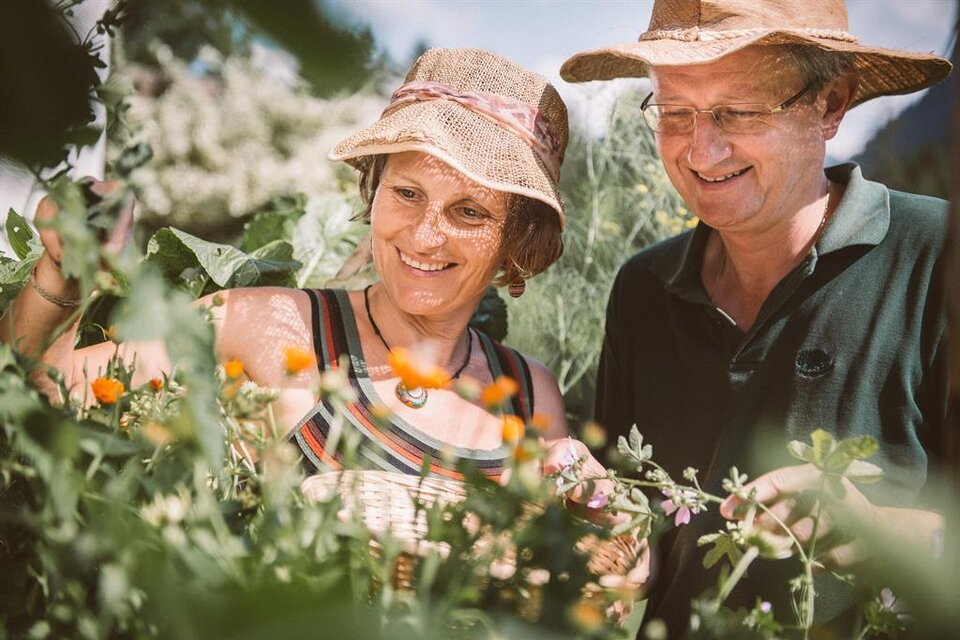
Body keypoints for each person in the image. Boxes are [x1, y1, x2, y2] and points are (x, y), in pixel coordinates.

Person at [1, 48, 597, 486]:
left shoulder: (527, 393)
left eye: (469, 211)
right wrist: (61, 273)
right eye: (407, 193)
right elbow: (34, 403)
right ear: (375, 188)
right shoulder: (265, 327)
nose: (424, 235)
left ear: (514, 239)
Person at [560, 0, 952, 633]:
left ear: (831, 104)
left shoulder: (939, 255)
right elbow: (649, 520)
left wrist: (881, 533)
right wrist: (620, 548)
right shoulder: (642, 289)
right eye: (675, 112)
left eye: (738, 111)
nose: (701, 149)